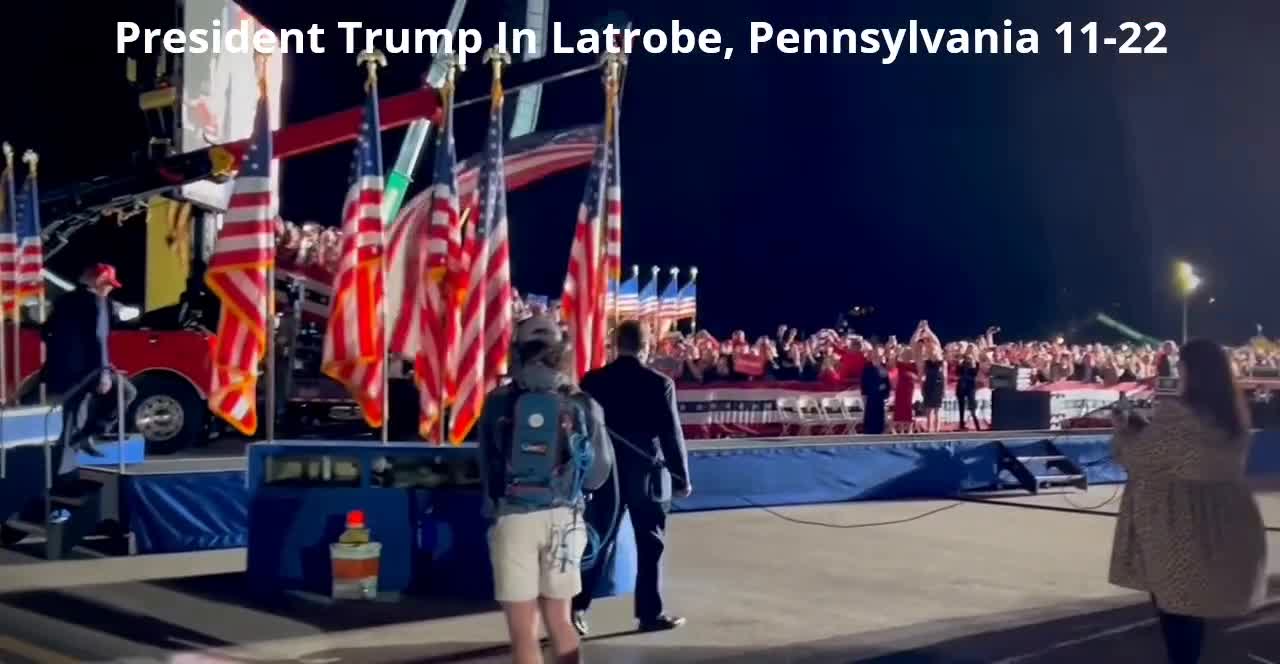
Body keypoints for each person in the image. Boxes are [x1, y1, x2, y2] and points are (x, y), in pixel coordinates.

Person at [1108, 339, 1267, 664]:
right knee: (1195, 604)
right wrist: (1147, 431)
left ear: (1192, 371)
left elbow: (1140, 457)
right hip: (1222, 517)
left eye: (1181, 366)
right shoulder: (1233, 415)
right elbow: (1180, 454)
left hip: (1178, 523)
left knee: (1177, 607)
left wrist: (1124, 430)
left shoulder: (1178, 416)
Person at [477, 315, 614, 664]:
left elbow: (487, 465)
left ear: (517, 350)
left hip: (514, 519)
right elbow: (598, 474)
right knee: (561, 620)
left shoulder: (497, 402)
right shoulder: (583, 403)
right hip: (564, 519)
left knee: (524, 631)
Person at [572, 320, 691, 636]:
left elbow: (581, 430)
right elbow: (670, 432)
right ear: (647, 346)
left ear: (616, 345)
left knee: (597, 542)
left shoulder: (593, 380)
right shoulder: (659, 383)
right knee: (649, 544)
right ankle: (649, 614)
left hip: (605, 473)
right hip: (645, 475)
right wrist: (681, 477)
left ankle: (575, 609)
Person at [41, 263, 136, 463]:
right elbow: (99, 338)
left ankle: (61, 478)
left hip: (61, 371)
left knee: (69, 421)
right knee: (127, 392)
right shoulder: (99, 302)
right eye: (109, 284)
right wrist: (104, 373)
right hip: (89, 372)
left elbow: (46, 332)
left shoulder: (63, 300)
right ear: (100, 280)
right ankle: (90, 434)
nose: (110, 288)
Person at [859, 348, 890, 435]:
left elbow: (887, 382)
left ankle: (879, 431)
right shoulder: (867, 368)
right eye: (875, 355)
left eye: (879, 355)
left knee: (879, 414)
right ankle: (868, 431)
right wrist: (864, 394)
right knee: (870, 414)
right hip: (870, 396)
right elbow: (863, 383)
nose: (877, 357)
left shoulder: (884, 368)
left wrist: (886, 393)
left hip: (880, 397)